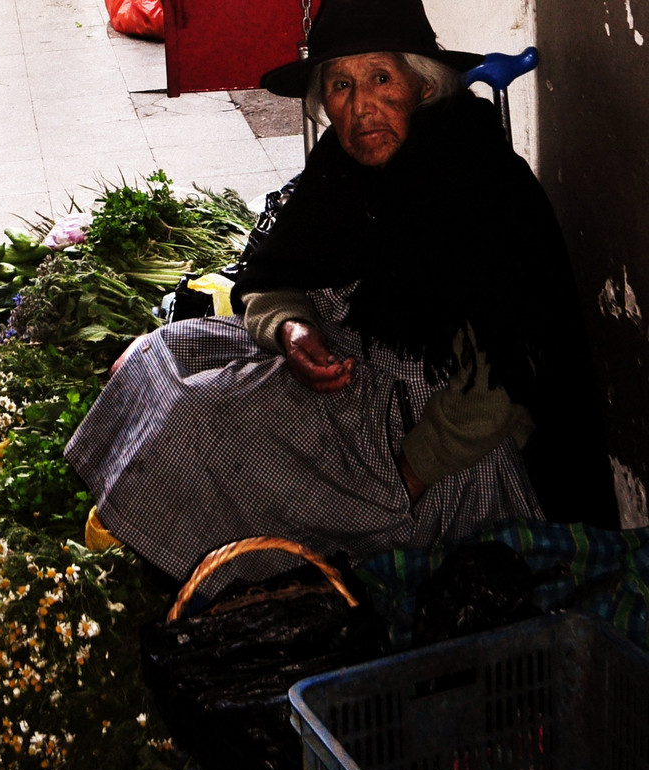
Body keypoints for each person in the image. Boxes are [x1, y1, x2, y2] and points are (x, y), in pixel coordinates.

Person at [65, 0, 618, 594]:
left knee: (200, 421)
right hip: (355, 371)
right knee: (165, 355)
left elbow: (499, 385)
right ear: (323, 102)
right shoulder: (342, 169)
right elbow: (273, 273)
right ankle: (168, 534)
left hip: (443, 452)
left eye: (381, 79)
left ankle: (187, 546)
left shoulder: (480, 186)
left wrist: (404, 477)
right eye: (341, 85)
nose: (362, 107)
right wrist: (291, 328)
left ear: (422, 85)